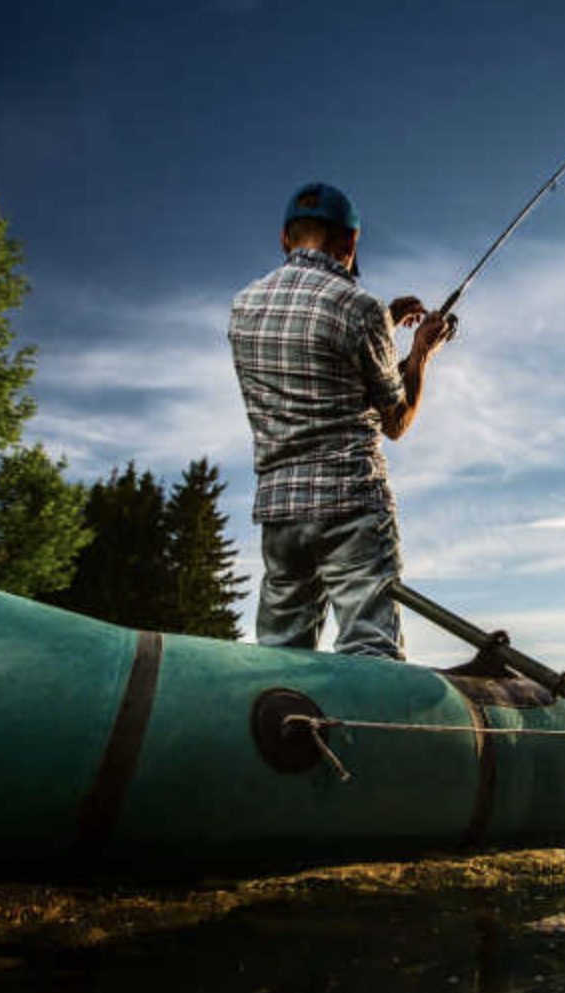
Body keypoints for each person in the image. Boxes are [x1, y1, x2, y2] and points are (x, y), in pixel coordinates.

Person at [228, 182, 453, 660]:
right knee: (371, 651)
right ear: (350, 244)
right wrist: (420, 353)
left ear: (286, 239)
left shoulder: (243, 307)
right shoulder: (360, 308)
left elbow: (312, 357)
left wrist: (385, 327)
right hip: (350, 503)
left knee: (280, 657)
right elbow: (396, 421)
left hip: (280, 511)